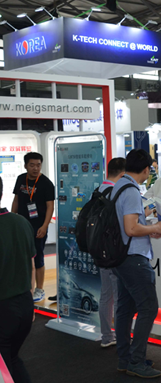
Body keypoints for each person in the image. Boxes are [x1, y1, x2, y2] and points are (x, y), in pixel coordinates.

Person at [112, 149, 161, 379]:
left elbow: (128, 224)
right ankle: (136, 360)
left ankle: (125, 358)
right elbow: (131, 228)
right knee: (148, 308)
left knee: (125, 309)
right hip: (133, 258)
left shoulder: (119, 185)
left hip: (121, 256)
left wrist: (147, 227)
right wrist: (155, 227)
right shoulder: (131, 190)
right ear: (145, 169)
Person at [0, 176, 35, 383]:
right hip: (24, 305)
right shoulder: (21, 222)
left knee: (5, 366)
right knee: (11, 359)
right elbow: (31, 266)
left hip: (4, 309)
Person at [12, 152, 55, 303]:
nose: (35, 168)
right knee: (22, 256)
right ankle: (24, 286)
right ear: (25, 166)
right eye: (32, 165)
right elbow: (16, 200)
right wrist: (12, 218)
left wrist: (45, 226)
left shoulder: (46, 183)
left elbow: (50, 207)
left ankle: (40, 289)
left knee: (38, 257)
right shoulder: (20, 179)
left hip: (38, 227)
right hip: (21, 225)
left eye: (38, 165)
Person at [97, 158, 125, 348]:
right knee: (118, 295)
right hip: (113, 250)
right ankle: (121, 338)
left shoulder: (99, 189)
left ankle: (107, 336)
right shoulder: (115, 192)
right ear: (122, 174)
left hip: (100, 248)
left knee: (106, 294)